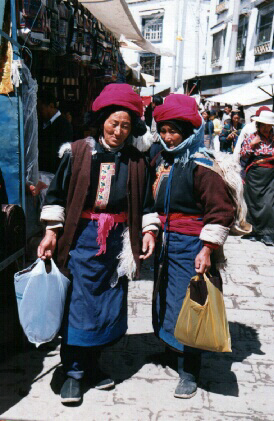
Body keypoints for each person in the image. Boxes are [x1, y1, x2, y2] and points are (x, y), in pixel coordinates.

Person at [37, 84, 159, 404]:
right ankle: (74, 373)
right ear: (102, 119)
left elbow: (146, 204)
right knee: (79, 306)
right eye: (113, 123)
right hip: (81, 241)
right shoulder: (78, 152)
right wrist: (51, 232)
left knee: (107, 307)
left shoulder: (136, 162)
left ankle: (93, 365)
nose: (118, 131)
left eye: (125, 126)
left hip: (118, 246)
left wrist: (148, 232)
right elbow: (57, 197)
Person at [151, 94, 235, 399]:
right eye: (163, 130)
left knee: (192, 303)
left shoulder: (202, 165)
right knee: (165, 299)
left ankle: (189, 369)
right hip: (165, 242)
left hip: (191, 244)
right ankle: (171, 350)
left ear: (187, 131)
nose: (168, 136)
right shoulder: (161, 159)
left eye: (173, 131)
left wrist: (207, 249)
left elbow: (220, 210)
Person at [240, 110, 274, 246]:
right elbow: (243, 156)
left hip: (270, 175)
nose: (266, 129)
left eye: (269, 126)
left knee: (268, 204)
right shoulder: (250, 138)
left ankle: (268, 233)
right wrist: (252, 145)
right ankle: (253, 231)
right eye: (264, 125)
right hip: (254, 176)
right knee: (252, 203)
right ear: (258, 125)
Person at [37, 91, 73, 174]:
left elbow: (61, 155)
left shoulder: (64, 125)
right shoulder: (41, 123)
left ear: (51, 106)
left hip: (54, 174)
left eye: (41, 109)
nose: (39, 113)